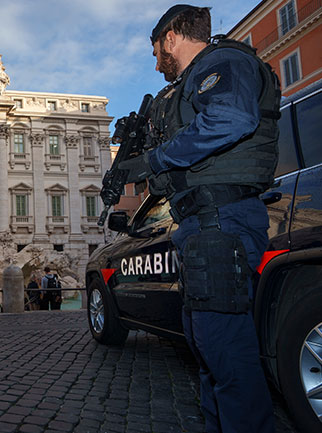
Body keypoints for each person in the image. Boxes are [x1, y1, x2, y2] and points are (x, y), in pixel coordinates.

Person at [117, 6, 281, 433]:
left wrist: (155, 157)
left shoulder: (224, 62)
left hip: (221, 221)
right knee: (208, 346)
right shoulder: (191, 83)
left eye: (156, 51)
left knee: (225, 350)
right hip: (203, 224)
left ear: (171, 38)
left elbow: (231, 118)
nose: (156, 63)